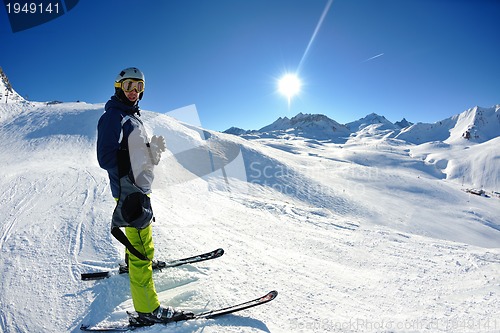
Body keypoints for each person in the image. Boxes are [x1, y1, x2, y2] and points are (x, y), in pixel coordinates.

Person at [96, 67, 193, 326]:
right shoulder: (114, 116)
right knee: (142, 249)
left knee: (137, 239)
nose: (134, 92)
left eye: (139, 87)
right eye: (129, 86)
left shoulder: (132, 117)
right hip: (131, 194)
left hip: (138, 191)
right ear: (119, 87)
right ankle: (148, 309)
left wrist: (152, 151)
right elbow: (106, 158)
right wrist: (135, 160)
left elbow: (136, 155)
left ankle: (132, 264)